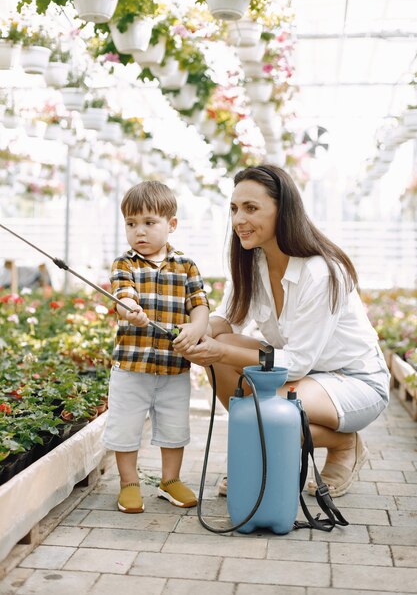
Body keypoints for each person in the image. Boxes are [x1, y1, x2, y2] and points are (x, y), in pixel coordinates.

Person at [183, 165, 390, 498]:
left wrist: (219, 350)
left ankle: (342, 442)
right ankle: (265, 442)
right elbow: (227, 319)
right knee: (220, 348)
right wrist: (194, 331)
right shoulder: (253, 260)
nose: (238, 219)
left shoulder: (320, 272)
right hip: (301, 376)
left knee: (256, 402)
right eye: (234, 209)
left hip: (352, 381)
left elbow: (296, 364)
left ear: (284, 211)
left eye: (251, 208)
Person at [103, 181, 209, 513]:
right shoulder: (125, 264)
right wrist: (129, 311)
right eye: (132, 224)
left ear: (171, 225)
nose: (140, 232)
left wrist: (196, 327)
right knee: (126, 423)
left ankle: (170, 479)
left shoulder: (186, 266)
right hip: (132, 367)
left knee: (174, 425)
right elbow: (124, 296)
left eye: (149, 222)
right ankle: (129, 483)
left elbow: (200, 305)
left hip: (173, 367)